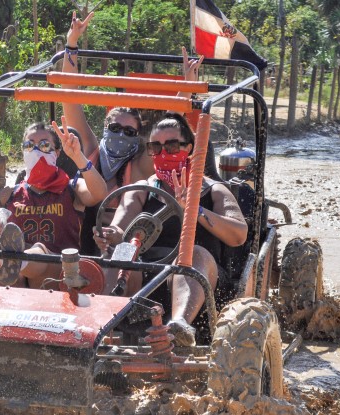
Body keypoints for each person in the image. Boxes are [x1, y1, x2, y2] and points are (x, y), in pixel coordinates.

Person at [95, 112, 248, 346]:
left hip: (203, 281)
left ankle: (178, 327)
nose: (163, 153)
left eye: (172, 145)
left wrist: (195, 210)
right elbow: (121, 224)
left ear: (189, 148)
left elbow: (239, 235)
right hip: (147, 279)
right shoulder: (143, 189)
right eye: (156, 147)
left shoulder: (213, 190)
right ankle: (98, 330)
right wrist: (111, 236)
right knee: (119, 253)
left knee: (193, 253)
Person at [62, 12, 205, 255]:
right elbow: (68, 97)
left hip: (123, 245)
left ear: (138, 138)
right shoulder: (90, 150)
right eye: (115, 128)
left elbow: (172, 124)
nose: (120, 135)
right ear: (106, 128)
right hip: (82, 241)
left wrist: (187, 85)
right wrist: (72, 42)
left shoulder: (138, 166)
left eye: (129, 131)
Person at [0, 117, 107, 289]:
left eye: (44, 145)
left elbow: (99, 193)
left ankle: (15, 260)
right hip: (13, 280)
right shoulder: (10, 193)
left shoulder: (71, 188)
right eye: (29, 145)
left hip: (57, 274)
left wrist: (78, 157)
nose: (36, 150)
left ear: (57, 152)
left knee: (39, 250)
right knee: (1, 262)